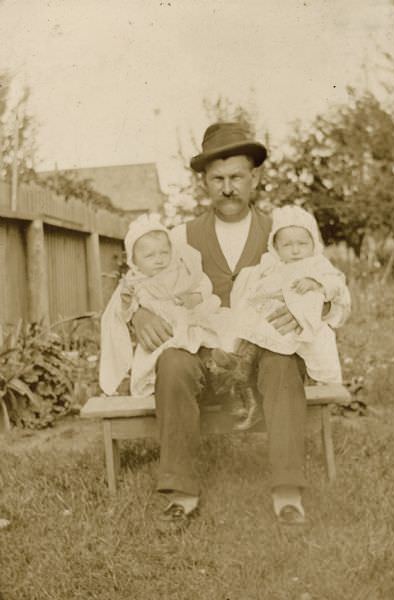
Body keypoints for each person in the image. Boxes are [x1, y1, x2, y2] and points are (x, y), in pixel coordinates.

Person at [132, 122, 347, 527]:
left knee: (283, 363)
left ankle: (287, 493)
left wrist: (314, 308)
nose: (228, 188)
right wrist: (138, 313)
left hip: (264, 354)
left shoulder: (285, 233)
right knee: (173, 363)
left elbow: (330, 286)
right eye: (217, 179)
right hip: (204, 350)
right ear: (204, 182)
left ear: (255, 178)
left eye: (236, 178)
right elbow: (135, 281)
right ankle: (181, 494)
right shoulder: (179, 237)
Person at [99, 212, 224, 397]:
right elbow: (124, 312)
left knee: (208, 338)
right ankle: (156, 382)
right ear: (134, 261)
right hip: (163, 333)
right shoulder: (134, 282)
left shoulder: (180, 270)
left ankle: (217, 365)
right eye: (149, 256)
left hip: (189, 319)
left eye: (164, 252)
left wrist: (195, 297)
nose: (159, 259)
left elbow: (203, 283)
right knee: (161, 359)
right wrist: (128, 303)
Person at [231, 204, 350, 386]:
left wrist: (316, 283)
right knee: (253, 328)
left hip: (307, 323)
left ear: (313, 244)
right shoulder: (274, 266)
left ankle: (321, 381)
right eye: (287, 245)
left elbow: (337, 285)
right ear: (276, 248)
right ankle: (239, 363)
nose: (296, 251)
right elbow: (257, 286)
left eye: (302, 244)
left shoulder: (317, 264)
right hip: (276, 319)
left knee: (313, 345)